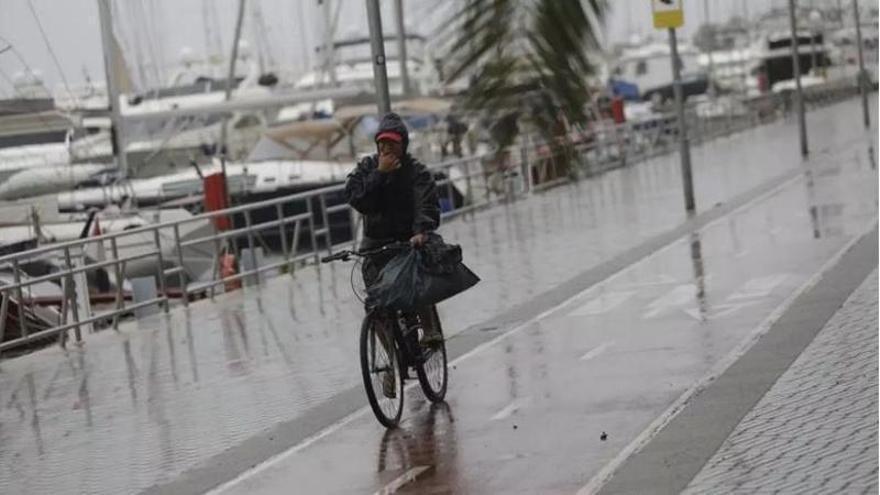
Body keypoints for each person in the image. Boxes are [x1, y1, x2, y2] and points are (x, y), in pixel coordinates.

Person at [344, 113, 444, 396]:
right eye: (382, 144)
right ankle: (392, 363)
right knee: (376, 307)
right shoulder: (368, 167)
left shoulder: (416, 172)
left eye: (392, 144)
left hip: (406, 242)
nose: (386, 150)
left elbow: (427, 204)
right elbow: (356, 199)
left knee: (414, 286)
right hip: (375, 245)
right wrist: (380, 174)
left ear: (403, 145)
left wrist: (421, 230)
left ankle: (429, 327)